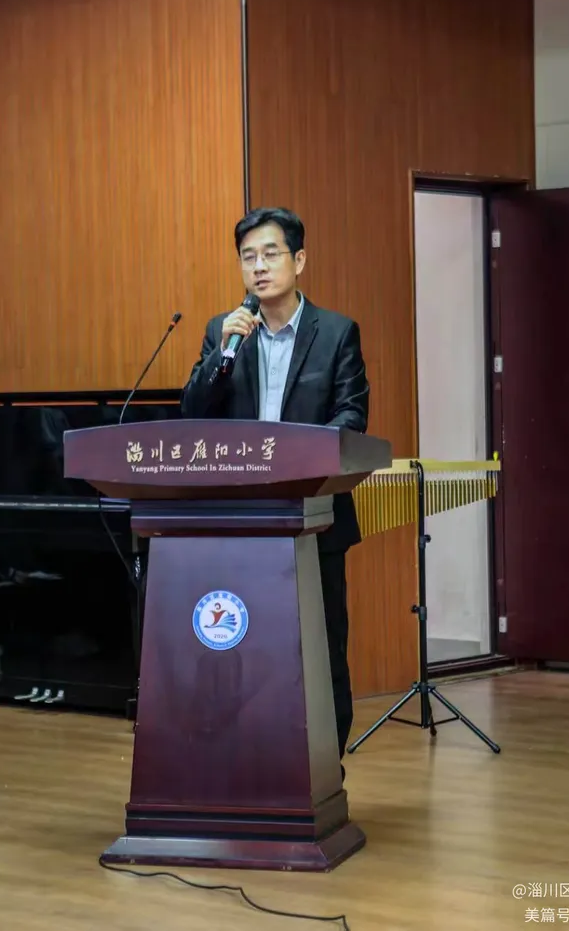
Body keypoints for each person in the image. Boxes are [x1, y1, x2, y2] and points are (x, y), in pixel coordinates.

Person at [181, 206, 369, 765]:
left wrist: (297, 459)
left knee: (320, 649)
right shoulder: (225, 331)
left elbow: (351, 418)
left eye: (270, 254)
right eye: (248, 258)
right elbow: (193, 414)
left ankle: (325, 768)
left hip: (313, 519)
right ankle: (246, 761)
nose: (258, 268)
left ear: (299, 260)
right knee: (243, 647)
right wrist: (219, 357)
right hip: (240, 521)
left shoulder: (335, 333)